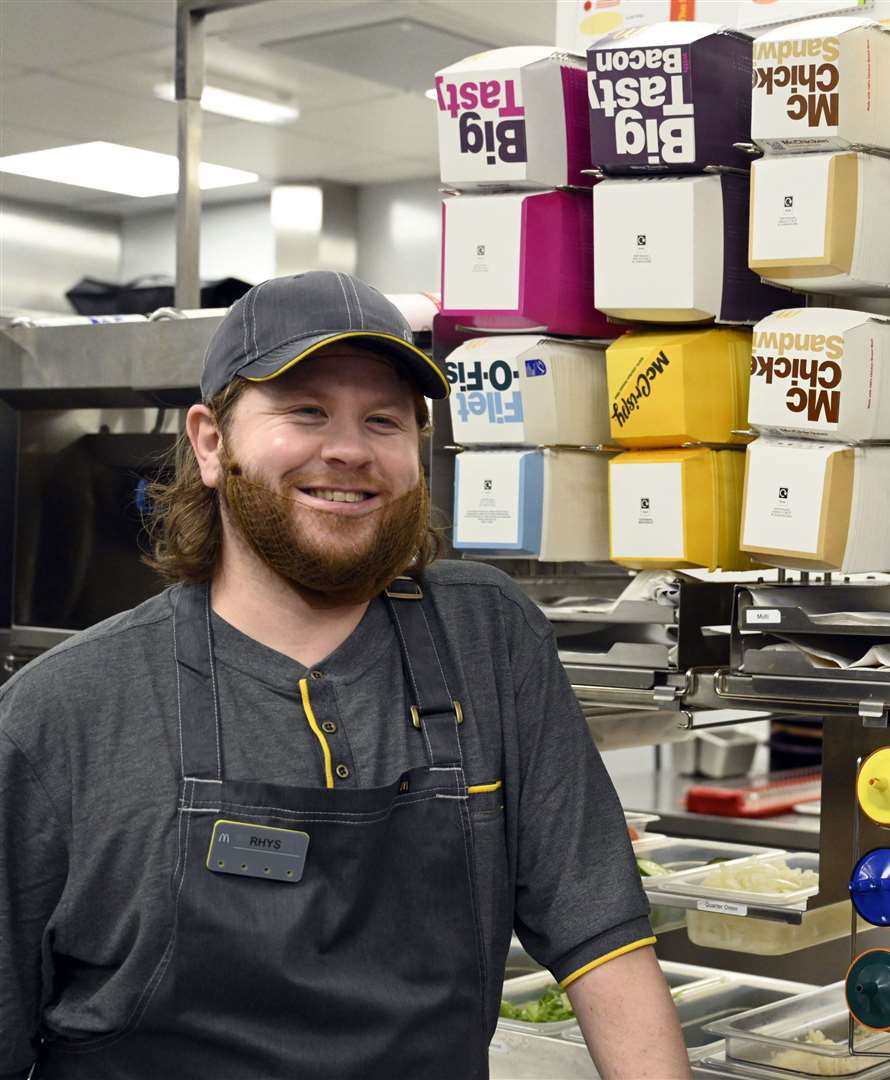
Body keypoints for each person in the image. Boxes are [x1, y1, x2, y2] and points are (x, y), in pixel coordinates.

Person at [0, 272, 690, 1079]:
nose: (351, 449)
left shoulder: (486, 637)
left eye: (384, 420)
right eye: (305, 410)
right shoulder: (64, 709)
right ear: (211, 443)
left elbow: (600, 932)